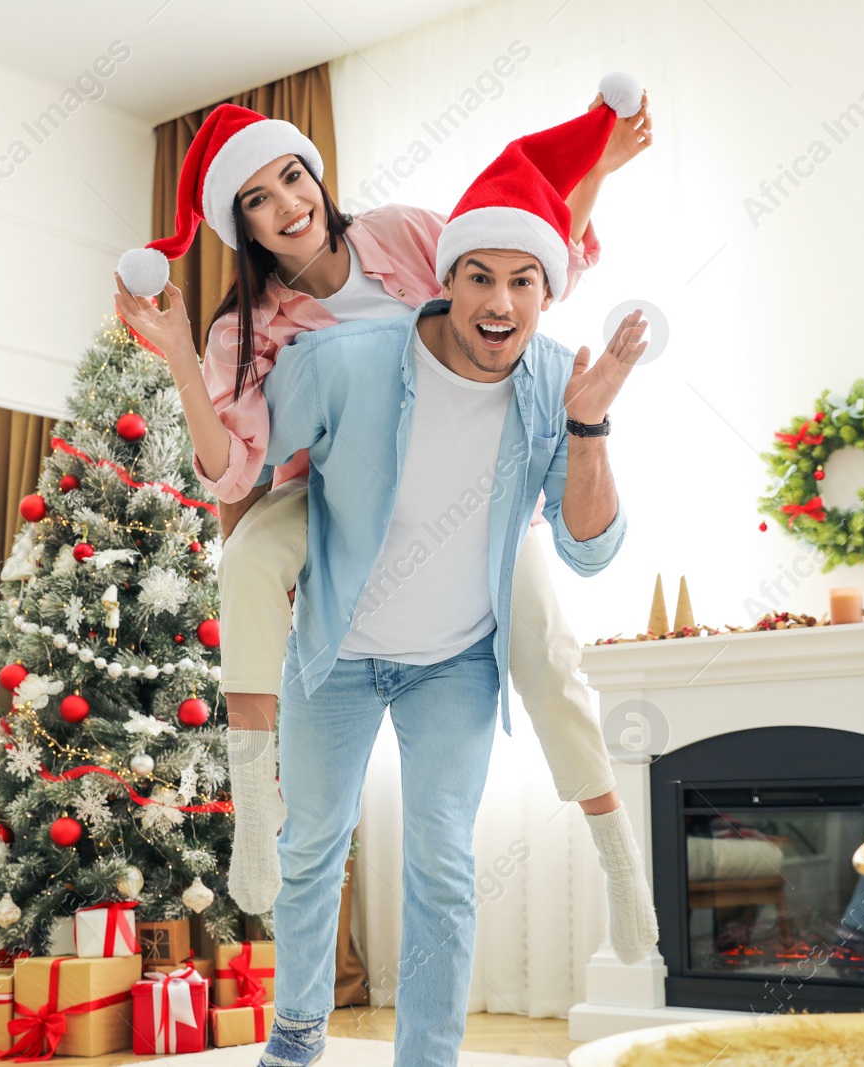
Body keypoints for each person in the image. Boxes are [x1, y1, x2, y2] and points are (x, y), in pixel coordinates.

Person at [113, 76, 660, 966]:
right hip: (338, 494)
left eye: (293, 178)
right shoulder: (244, 332)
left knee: (546, 656)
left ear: (317, 178)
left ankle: (617, 857)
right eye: (258, 198)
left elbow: (518, 264)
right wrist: (180, 356)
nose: (286, 204)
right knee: (247, 555)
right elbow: (232, 467)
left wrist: (595, 165)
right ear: (240, 224)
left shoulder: (407, 233)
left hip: (471, 491)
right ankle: (258, 810)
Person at [248, 108, 647, 1065]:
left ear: (548, 294)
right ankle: (296, 1034)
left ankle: (428, 1056)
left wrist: (588, 428)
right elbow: (244, 464)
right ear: (447, 279)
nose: (498, 300)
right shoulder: (344, 359)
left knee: (442, 867)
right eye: (479, 276)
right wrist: (267, 555)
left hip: (454, 662)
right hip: (337, 652)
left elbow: (592, 551)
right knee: (310, 851)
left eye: (522, 281)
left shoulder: (556, 379)